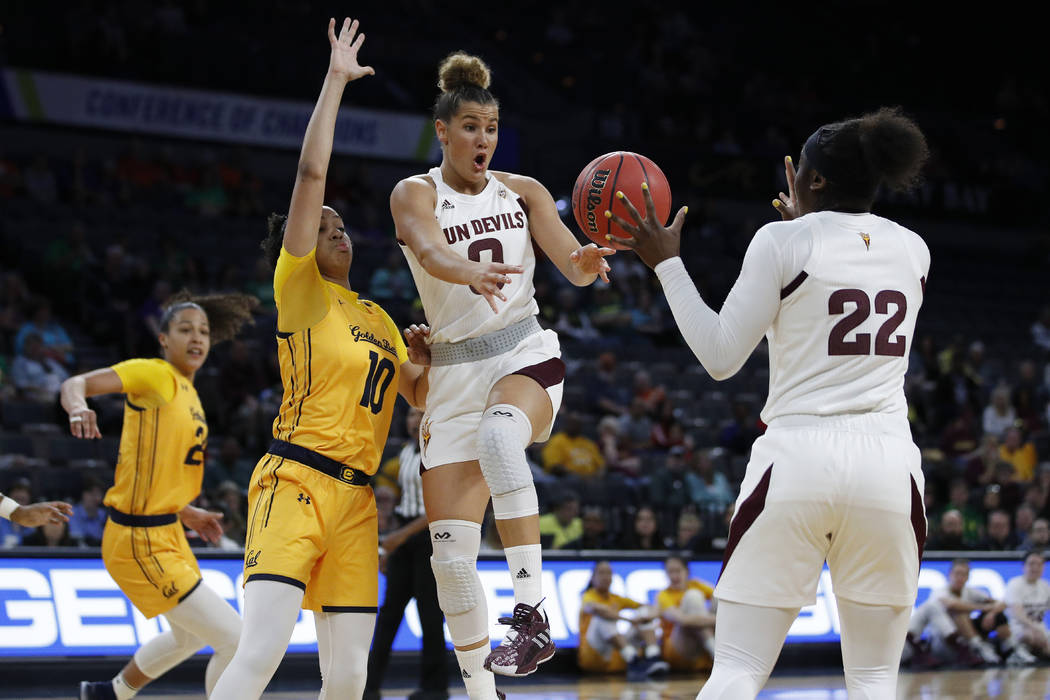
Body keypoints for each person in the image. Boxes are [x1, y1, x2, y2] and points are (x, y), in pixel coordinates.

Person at [608, 106, 931, 698]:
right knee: (877, 677)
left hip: (798, 459)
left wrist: (667, 265)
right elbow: (845, 261)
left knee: (736, 668)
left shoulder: (781, 240)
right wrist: (806, 223)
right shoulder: (915, 249)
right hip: (889, 466)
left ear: (813, 181)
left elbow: (721, 355)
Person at [211, 19, 427, 700]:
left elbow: (417, 396)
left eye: (343, 227)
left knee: (351, 677)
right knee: (263, 652)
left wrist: (430, 356)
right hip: (295, 482)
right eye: (324, 225)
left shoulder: (379, 316)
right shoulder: (300, 289)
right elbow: (311, 172)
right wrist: (335, 82)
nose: (338, 233)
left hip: (360, 501)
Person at [389, 50, 613, 693]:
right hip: (453, 375)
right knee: (451, 565)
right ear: (443, 131)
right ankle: (484, 694)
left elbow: (571, 263)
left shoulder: (525, 192)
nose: (481, 139)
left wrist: (590, 258)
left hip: (521, 351)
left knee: (499, 439)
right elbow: (428, 249)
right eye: (469, 127)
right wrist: (467, 272)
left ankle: (532, 614)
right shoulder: (414, 192)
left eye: (489, 127)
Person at [61, 291, 255, 700]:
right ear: (164, 339)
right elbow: (75, 382)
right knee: (236, 640)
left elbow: (154, 469)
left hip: (168, 533)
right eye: (185, 329)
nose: (197, 337)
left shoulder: (190, 393)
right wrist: (79, 407)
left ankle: (107, 694)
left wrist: (185, 511)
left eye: (203, 331)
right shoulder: (154, 374)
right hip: (138, 540)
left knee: (188, 639)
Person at [365, 408, 449, 700]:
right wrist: (393, 546)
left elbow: (439, 507)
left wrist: (399, 536)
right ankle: (369, 685)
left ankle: (436, 689)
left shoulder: (440, 452)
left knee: (430, 615)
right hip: (404, 537)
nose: (414, 419)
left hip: (429, 539)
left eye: (419, 414)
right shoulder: (403, 453)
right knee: (388, 615)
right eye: (411, 415)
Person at [902, 558, 1023, 668]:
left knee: (997, 615)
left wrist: (991, 612)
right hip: (943, 644)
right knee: (959, 612)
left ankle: (1011, 648)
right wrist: (984, 608)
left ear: (968, 577)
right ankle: (975, 647)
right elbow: (952, 604)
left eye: (963, 574)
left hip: (964, 642)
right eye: (957, 573)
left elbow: (1002, 604)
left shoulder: (971, 592)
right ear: (950, 575)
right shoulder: (940, 592)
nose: (960, 577)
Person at [577, 560, 669, 678]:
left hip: (615, 655)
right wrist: (629, 620)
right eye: (601, 573)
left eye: (609, 573)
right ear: (592, 578)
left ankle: (652, 656)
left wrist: (648, 617)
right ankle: (633, 658)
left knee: (643, 612)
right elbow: (595, 608)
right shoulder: (588, 596)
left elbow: (648, 607)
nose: (606, 577)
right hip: (594, 654)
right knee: (602, 617)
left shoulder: (616, 598)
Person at [656, 555, 717, 673]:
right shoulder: (663, 595)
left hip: (700, 645)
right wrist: (720, 620)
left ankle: (725, 653)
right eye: (670, 572)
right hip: (679, 649)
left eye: (678, 571)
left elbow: (719, 598)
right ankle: (715, 653)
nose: (674, 576)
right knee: (693, 596)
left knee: (720, 598)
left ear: (687, 571)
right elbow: (683, 620)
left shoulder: (696, 584)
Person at [1004, 550, 1050, 659]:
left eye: (1039, 564)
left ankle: (1037, 655)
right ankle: (1017, 651)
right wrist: (1036, 628)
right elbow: (1018, 613)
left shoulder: (1045, 586)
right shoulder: (1014, 584)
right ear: (1023, 566)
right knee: (1030, 636)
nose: (1035, 568)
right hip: (1018, 629)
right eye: (1031, 564)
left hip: (1040, 629)